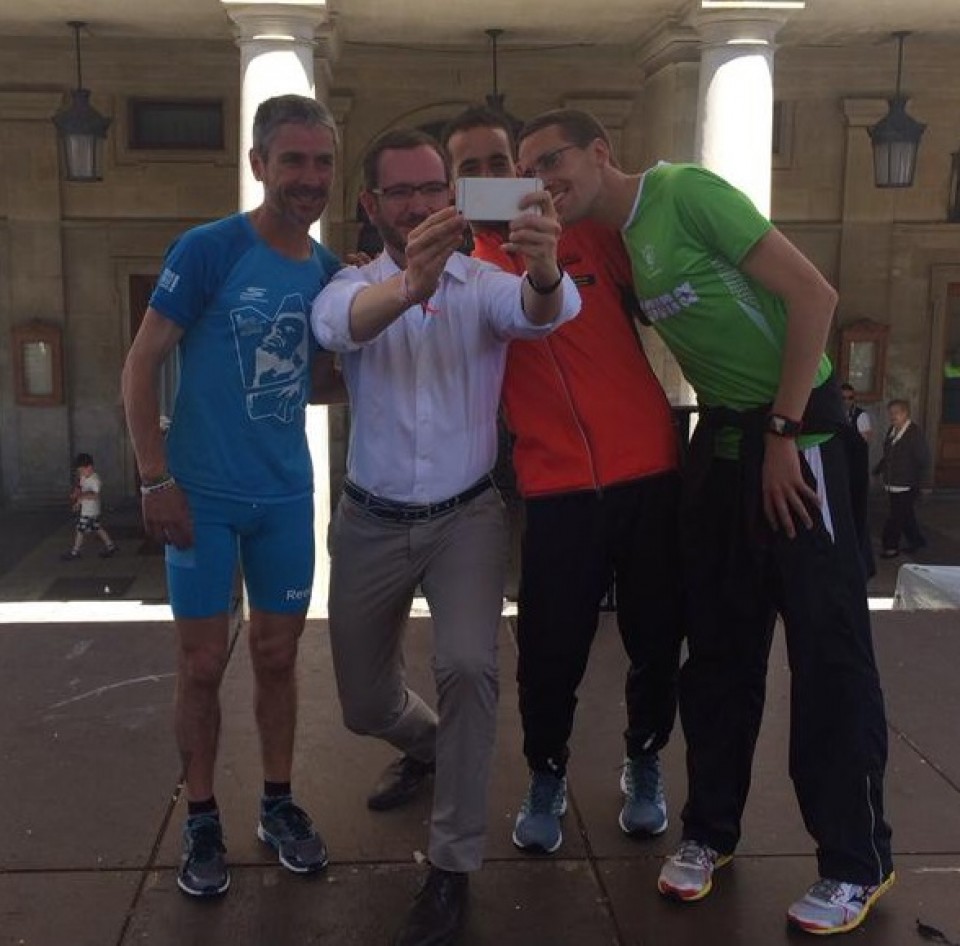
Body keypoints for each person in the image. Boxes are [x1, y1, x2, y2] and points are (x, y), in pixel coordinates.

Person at [517, 109, 894, 936]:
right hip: (722, 445)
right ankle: (708, 831)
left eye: (555, 159)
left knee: (827, 655)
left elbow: (814, 294)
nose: (544, 177)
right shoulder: (614, 240)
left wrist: (786, 432)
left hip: (802, 439)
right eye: (527, 168)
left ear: (601, 152)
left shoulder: (685, 192)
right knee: (718, 651)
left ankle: (855, 862)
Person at [311, 127, 579, 946]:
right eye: (402, 192)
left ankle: (453, 865)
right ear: (372, 205)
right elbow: (340, 330)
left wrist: (542, 267)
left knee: (470, 666)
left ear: (451, 197)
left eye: (434, 189)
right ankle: (424, 745)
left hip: (466, 516)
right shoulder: (350, 284)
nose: (422, 204)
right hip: (370, 519)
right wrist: (407, 286)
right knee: (361, 704)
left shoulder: (485, 283)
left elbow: (541, 314)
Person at [441, 105, 683, 855]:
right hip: (554, 487)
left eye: (500, 162)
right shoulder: (460, 269)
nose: (489, 177)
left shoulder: (588, 235)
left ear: (523, 167)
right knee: (549, 649)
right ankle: (546, 773)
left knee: (656, 637)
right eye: (470, 168)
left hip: (651, 470)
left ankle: (644, 760)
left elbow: (671, 284)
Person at [121, 94, 341, 899]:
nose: (309, 177)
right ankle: (202, 817)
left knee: (278, 656)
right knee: (202, 662)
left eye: (321, 162)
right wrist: (154, 476)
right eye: (293, 160)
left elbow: (316, 380)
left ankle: (277, 805)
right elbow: (141, 365)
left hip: (284, 495)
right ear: (259, 165)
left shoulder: (327, 272)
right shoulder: (210, 248)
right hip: (201, 497)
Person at [874, 398, 929, 558]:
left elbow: (924, 460)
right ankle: (916, 540)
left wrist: (925, 485)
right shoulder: (892, 431)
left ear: (905, 413)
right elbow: (889, 455)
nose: (893, 416)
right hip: (893, 482)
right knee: (906, 515)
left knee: (895, 517)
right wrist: (879, 469)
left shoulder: (913, 433)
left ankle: (890, 547)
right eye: (890, 413)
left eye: (896, 413)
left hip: (907, 484)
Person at [840, 382, 875, 578]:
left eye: (849, 398)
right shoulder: (835, 414)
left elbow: (864, 442)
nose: (846, 402)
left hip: (855, 473)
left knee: (857, 515)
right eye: (843, 398)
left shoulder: (861, 416)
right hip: (841, 470)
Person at [60, 452, 119, 560]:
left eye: (82, 470)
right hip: (88, 510)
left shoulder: (95, 480)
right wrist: (78, 501)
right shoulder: (84, 477)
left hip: (90, 511)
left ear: (90, 467)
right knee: (97, 528)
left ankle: (75, 551)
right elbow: (81, 490)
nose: (81, 473)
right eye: (79, 471)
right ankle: (111, 546)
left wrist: (81, 496)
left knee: (80, 529)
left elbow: (95, 495)